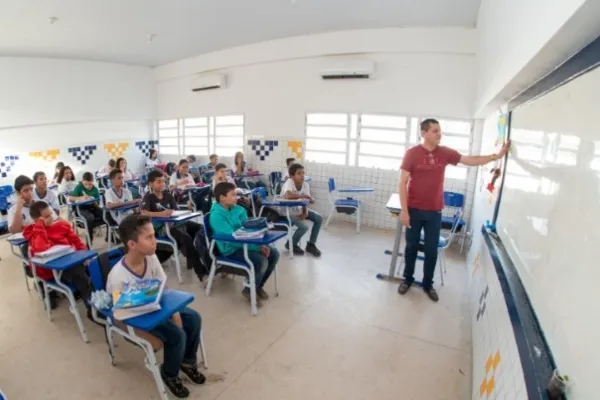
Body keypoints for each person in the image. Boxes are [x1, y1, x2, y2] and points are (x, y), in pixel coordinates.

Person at [397, 118, 510, 302]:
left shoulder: (445, 153)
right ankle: (407, 279)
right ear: (424, 133)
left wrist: (495, 156)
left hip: (434, 212)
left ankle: (427, 284)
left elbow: (469, 160)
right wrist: (404, 211)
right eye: (435, 131)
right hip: (414, 209)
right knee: (411, 247)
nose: (439, 134)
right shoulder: (412, 154)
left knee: (432, 251)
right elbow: (402, 182)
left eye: (439, 131)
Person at [106, 215, 206, 398]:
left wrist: (175, 314)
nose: (155, 241)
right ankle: (169, 373)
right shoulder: (118, 277)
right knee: (176, 335)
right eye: (149, 237)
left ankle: (187, 361)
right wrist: (146, 337)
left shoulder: (151, 259)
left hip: (156, 306)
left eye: (154, 235)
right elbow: (118, 315)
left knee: (193, 319)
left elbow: (163, 288)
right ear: (132, 244)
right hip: (133, 317)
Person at [209, 182, 279, 307]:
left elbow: (247, 229)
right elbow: (233, 238)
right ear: (222, 198)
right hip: (230, 249)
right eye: (233, 195)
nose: (236, 197)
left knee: (274, 253)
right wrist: (257, 247)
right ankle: (249, 290)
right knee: (262, 261)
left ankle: (257, 286)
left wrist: (261, 230)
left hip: (245, 244)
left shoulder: (238, 209)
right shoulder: (216, 215)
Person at [24, 201, 94, 317]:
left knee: (95, 269)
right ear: (37, 220)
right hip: (52, 270)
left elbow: (76, 241)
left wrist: (85, 255)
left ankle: (96, 299)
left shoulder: (60, 226)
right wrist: (41, 225)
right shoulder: (34, 232)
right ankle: (93, 311)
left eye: (50, 214)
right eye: (46, 217)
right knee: (81, 277)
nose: (51, 217)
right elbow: (40, 248)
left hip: (70, 260)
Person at [141, 170, 205, 276]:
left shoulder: (168, 195)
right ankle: (201, 273)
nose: (162, 184)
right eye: (158, 181)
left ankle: (205, 259)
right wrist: (163, 214)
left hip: (178, 223)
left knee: (201, 229)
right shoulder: (148, 197)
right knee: (186, 238)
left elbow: (176, 210)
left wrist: (185, 211)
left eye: (163, 181)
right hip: (163, 228)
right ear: (150, 183)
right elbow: (143, 213)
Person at [280, 163, 322, 257]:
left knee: (318, 218)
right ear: (292, 176)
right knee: (304, 227)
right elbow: (288, 195)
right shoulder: (289, 182)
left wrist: (305, 212)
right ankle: (291, 244)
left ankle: (311, 244)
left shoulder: (305, 185)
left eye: (303, 173)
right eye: (299, 173)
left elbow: (306, 201)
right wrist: (306, 196)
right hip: (286, 211)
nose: (302, 175)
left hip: (298, 209)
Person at [70, 172, 105, 245]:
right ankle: (89, 240)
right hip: (80, 208)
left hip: (92, 207)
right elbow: (70, 198)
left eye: (90, 184)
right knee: (90, 218)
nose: (88, 186)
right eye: (85, 184)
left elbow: (97, 205)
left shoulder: (95, 189)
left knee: (106, 214)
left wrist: (93, 200)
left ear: (93, 182)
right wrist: (81, 197)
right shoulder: (79, 187)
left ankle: (110, 237)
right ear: (82, 182)